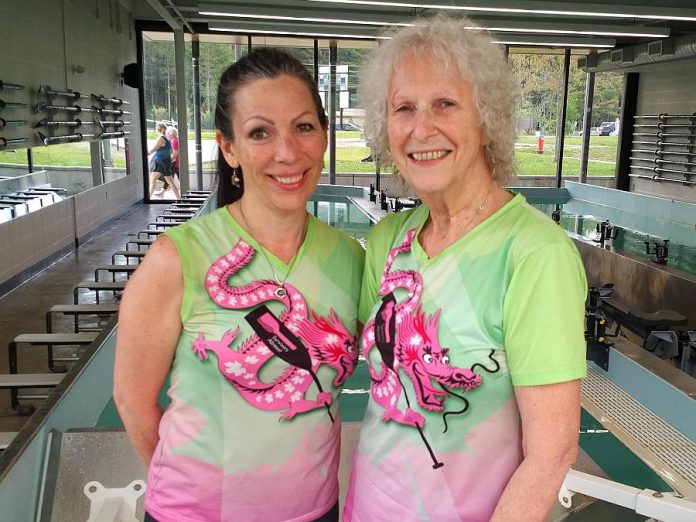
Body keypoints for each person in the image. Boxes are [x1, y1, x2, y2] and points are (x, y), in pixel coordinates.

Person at [344, 15, 587, 522]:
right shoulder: (390, 240)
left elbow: (551, 455)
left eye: (445, 104)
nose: (420, 128)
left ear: (485, 122)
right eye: (403, 108)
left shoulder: (533, 254)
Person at [114, 48, 364, 522]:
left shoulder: (350, 259)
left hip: (315, 512)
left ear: (325, 134)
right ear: (228, 147)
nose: (287, 152)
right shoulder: (178, 258)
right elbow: (131, 400)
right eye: (260, 133)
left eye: (304, 126)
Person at [148, 122, 180, 199]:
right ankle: (149, 196)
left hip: (163, 162)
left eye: (156, 128)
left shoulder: (161, 138)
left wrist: (147, 152)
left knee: (169, 181)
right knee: (153, 178)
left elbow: (155, 148)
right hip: (162, 162)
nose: (156, 130)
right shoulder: (166, 138)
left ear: (159, 129)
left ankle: (179, 198)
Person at [164, 126, 179, 190]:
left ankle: (164, 189)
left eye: (168, 133)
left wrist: (169, 160)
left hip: (175, 163)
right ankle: (164, 189)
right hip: (177, 163)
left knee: (168, 176)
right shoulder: (175, 140)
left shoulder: (174, 141)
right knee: (169, 176)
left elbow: (175, 154)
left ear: (172, 134)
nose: (166, 135)